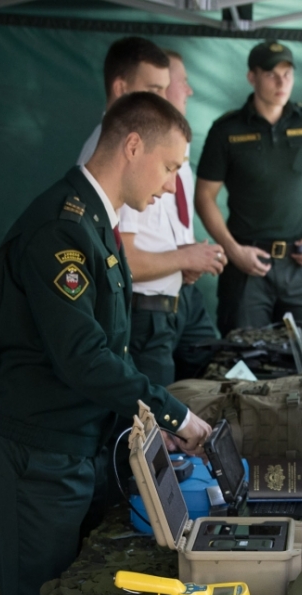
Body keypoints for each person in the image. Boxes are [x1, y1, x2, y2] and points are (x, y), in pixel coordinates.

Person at [0, 92, 214, 595]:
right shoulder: (61, 229)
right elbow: (83, 355)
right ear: (133, 146)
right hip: (34, 448)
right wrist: (172, 412)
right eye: (170, 168)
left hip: (67, 444)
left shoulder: (93, 221)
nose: (171, 186)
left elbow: (112, 346)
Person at [80, 46, 224, 387]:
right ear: (120, 89)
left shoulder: (156, 143)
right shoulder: (119, 155)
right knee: (153, 425)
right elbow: (119, 258)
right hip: (143, 311)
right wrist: (184, 257)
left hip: (175, 302)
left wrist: (185, 258)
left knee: (207, 393)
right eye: (156, 89)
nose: (170, 185)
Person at [195, 40, 302, 332]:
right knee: (245, 366)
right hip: (247, 265)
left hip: (300, 264)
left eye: (288, 73)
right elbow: (204, 197)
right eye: (272, 73)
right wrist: (234, 251)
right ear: (252, 77)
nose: (282, 81)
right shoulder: (226, 130)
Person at [76, 36, 171, 166]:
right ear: (120, 88)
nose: (164, 100)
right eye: (154, 91)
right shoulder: (101, 152)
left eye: (166, 90)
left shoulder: (130, 142)